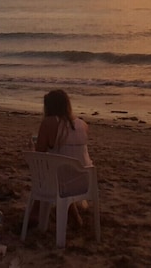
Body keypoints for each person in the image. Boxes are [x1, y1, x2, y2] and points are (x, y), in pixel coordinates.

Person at [34, 89, 94, 227]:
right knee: (61, 170)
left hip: (63, 182)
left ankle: (35, 212)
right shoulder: (83, 125)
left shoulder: (49, 123)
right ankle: (75, 216)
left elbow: (39, 155)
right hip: (85, 180)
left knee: (46, 172)